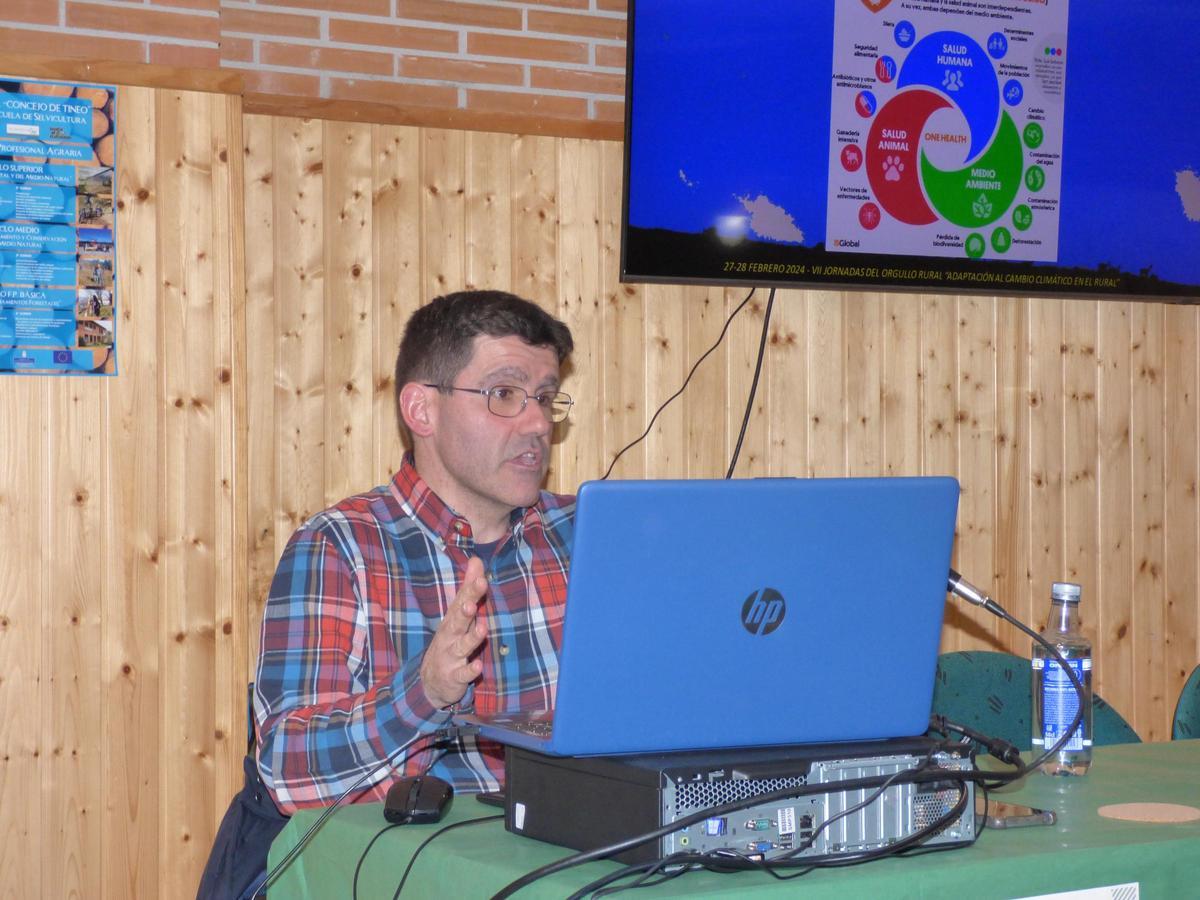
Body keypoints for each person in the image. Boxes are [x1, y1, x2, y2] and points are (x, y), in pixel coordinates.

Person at [197, 290, 576, 899]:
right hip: (400, 876)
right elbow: (288, 768)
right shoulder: (340, 548)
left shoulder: (584, 539)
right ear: (422, 410)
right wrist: (423, 693)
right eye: (504, 394)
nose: (536, 422)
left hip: (564, 862)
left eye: (544, 397)